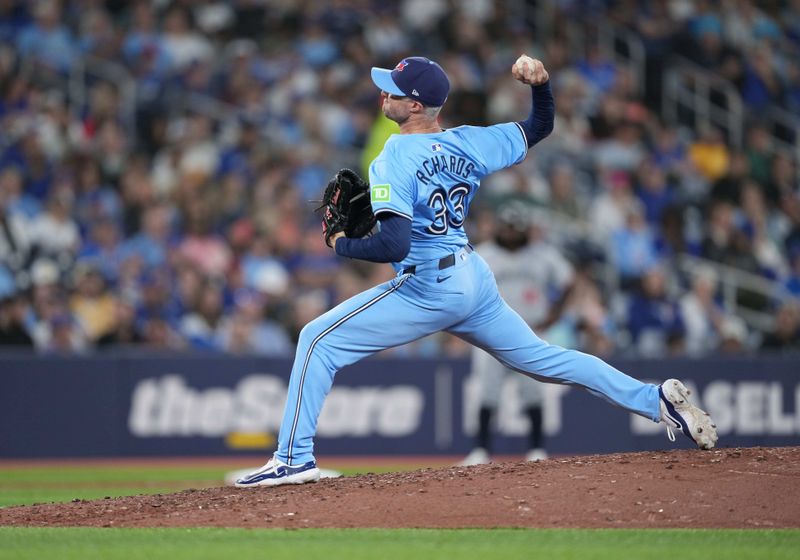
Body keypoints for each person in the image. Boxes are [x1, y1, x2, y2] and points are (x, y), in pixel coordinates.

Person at [236, 55, 718, 488]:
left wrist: (340, 243)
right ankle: (656, 399)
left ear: (418, 105)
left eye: (396, 90)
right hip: (473, 277)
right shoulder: (470, 142)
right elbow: (541, 125)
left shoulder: (394, 157)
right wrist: (542, 84)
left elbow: (394, 244)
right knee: (546, 359)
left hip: (429, 284)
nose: (385, 93)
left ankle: (293, 458)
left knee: (317, 339)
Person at [461, 201, 574, 465]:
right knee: (487, 391)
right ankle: (481, 450)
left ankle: (536, 449)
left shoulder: (542, 255)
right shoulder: (483, 253)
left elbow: (568, 281)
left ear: (525, 229)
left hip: (528, 331)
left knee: (533, 390)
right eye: (508, 227)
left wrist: (555, 314)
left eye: (516, 228)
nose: (511, 233)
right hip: (489, 334)